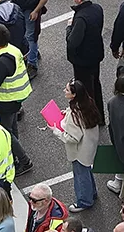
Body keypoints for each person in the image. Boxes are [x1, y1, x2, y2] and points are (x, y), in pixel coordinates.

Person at [52, 79, 100, 212]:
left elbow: (72, 138)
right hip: (89, 146)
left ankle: (84, 201)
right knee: (86, 172)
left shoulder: (75, 114)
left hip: (80, 151)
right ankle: (92, 194)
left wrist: (56, 131)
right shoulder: (87, 103)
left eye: (67, 90)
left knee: (80, 176)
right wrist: (67, 113)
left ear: (74, 95)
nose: (64, 91)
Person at [67, 0, 105, 124]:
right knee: (96, 84)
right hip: (95, 55)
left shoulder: (81, 17)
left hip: (82, 60)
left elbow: (73, 42)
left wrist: (69, 28)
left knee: (85, 90)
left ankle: (90, 119)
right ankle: (100, 116)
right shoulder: (97, 9)